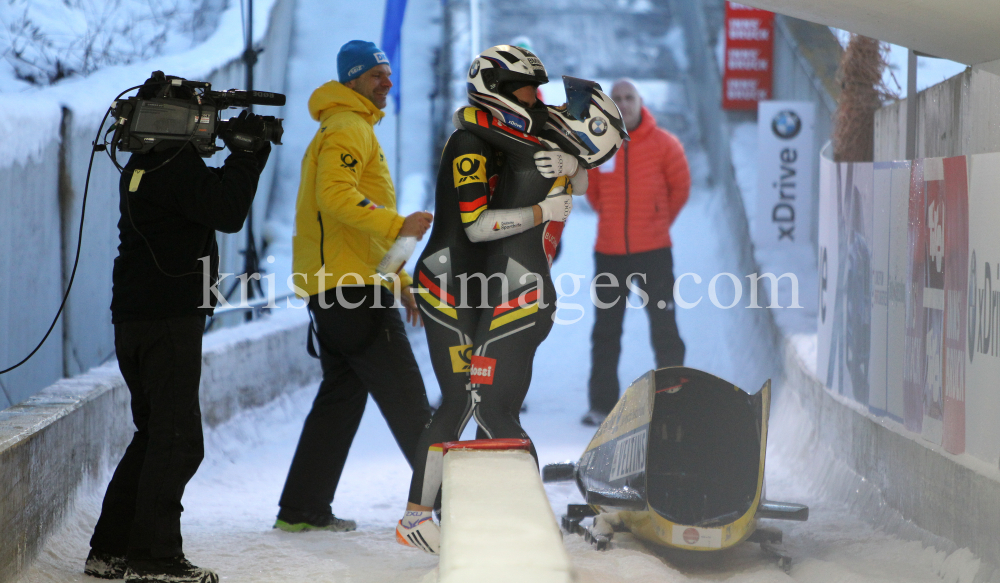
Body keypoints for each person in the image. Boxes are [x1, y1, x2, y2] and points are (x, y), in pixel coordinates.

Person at [85, 75, 272, 583]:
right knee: (177, 440)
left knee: (154, 436)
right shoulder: (175, 167)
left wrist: (237, 154)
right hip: (167, 318)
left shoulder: (145, 167)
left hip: (138, 317)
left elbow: (205, 199)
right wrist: (248, 154)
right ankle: (155, 559)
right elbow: (227, 210)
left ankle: (110, 550)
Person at [275, 40, 434, 533]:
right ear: (352, 80)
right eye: (374, 76)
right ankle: (458, 507)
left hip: (341, 290)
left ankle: (301, 509)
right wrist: (400, 225)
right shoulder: (348, 125)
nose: (386, 82)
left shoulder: (349, 125)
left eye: (388, 74)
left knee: (340, 400)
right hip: (355, 294)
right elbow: (336, 197)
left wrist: (400, 277)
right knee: (409, 403)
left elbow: (354, 231)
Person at [582, 79, 690, 427]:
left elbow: (680, 188)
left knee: (664, 326)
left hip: (654, 252)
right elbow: (594, 195)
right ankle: (601, 406)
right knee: (605, 331)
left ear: (640, 102)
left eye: (629, 97)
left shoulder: (664, 144)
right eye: (617, 98)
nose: (623, 103)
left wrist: (658, 221)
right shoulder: (600, 146)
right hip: (609, 253)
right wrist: (616, 222)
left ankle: (674, 397)